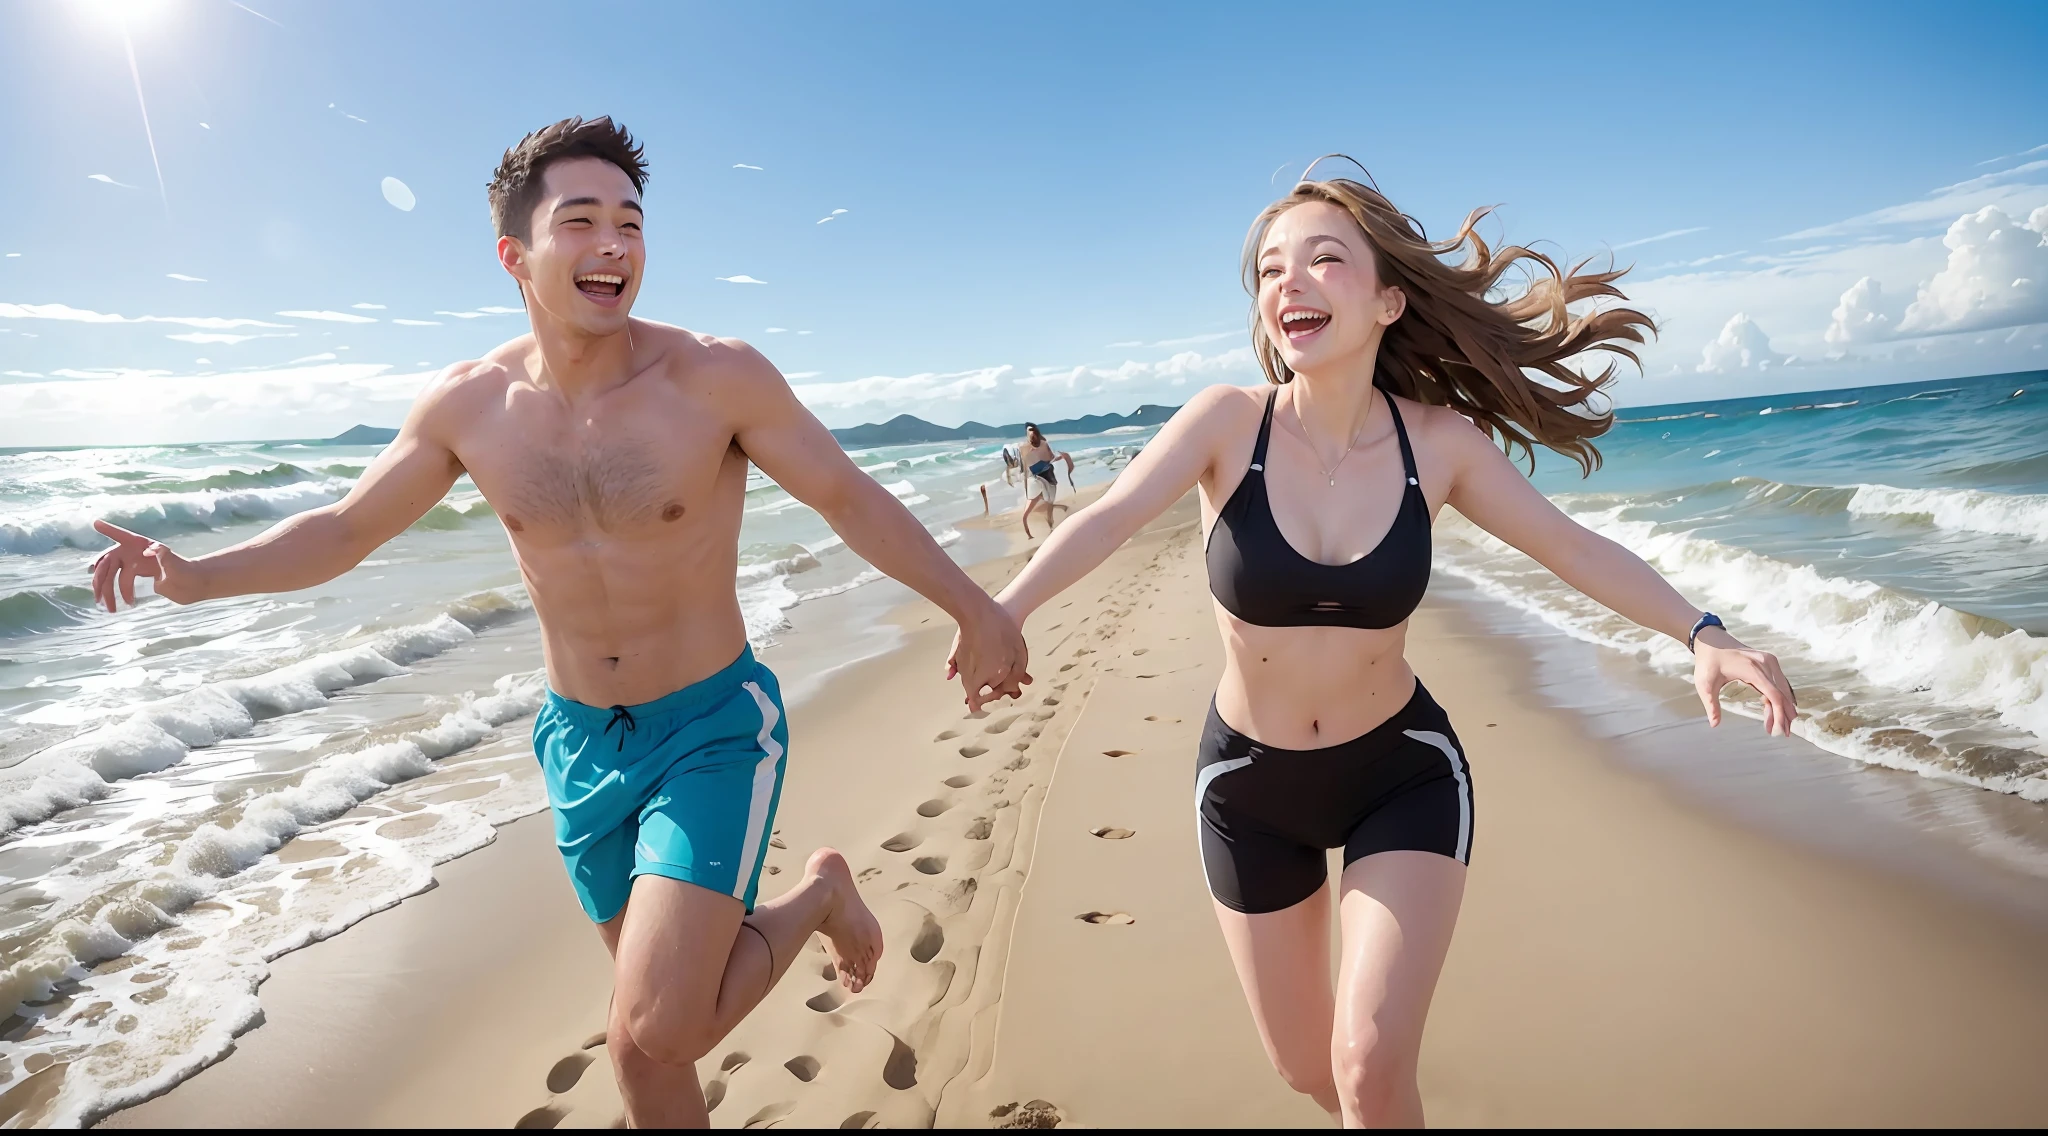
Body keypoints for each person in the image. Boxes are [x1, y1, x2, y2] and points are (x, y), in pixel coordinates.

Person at [86, 116, 1029, 1128]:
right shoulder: (468, 405)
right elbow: (344, 528)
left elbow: (846, 497)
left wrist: (973, 605)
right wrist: (195, 575)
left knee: (664, 1020)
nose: (614, 244)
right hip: (577, 742)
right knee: (638, 1054)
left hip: (711, 728)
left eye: (629, 221)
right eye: (580, 222)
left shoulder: (713, 378)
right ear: (515, 255)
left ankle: (816, 896)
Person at [958, 165, 1796, 1127]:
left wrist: (1702, 631)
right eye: (1271, 270)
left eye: (1323, 259)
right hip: (1247, 789)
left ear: (1389, 299)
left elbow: (1570, 546)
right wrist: (1006, 608)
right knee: (1308, 1069)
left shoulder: (1438, 445)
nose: (1289, 284)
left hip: (1401, 774)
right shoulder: (1227, 425)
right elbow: (1106, 518)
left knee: (1365, 1063)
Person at [1018, 422, 1075, 539]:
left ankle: (1051, 527)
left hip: (1048, 477)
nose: (1033, 441)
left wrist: (1063, 457)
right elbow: (1023, 469)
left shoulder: (1043, 444)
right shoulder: (1023, 448)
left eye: (1035, 438)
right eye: (1031, 438)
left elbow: (1051, 458)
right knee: (1029, 511)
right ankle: (1030, 534)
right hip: (1036, 478)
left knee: (1049, 504)